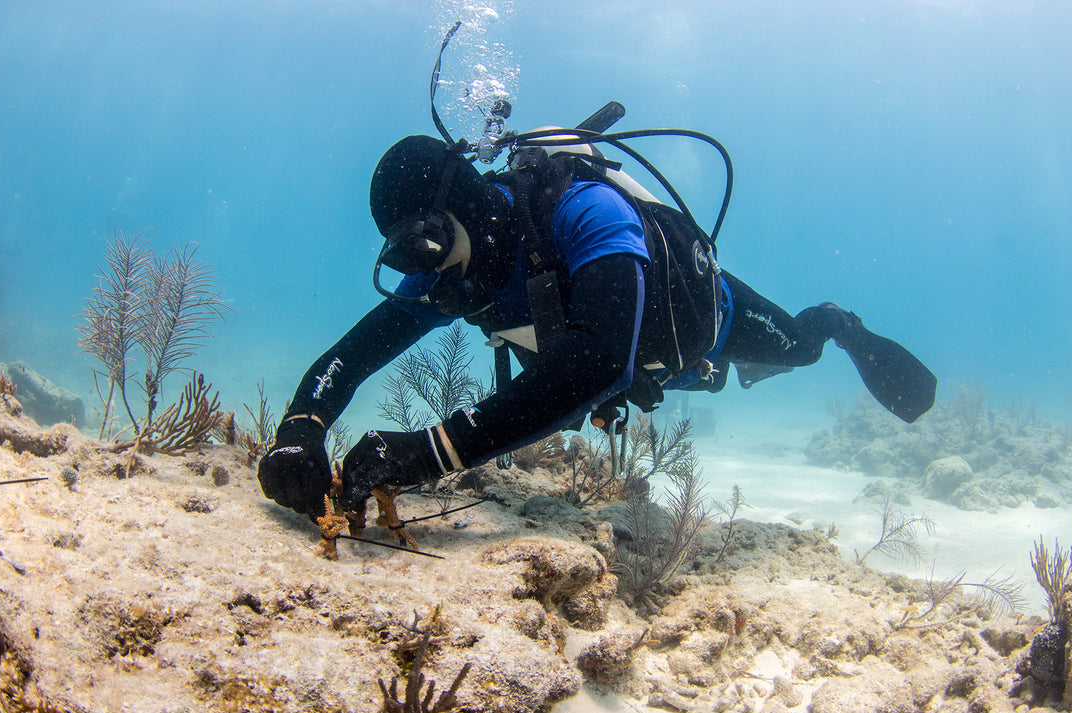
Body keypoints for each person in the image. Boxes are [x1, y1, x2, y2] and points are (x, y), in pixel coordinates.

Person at [257, 134, 936, 520]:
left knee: (798, 349)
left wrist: (431, 451)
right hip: (610, 363)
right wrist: (301, 428)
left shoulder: (585, 211)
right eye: (405, 253)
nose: (422, 269)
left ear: (460, 205)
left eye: (425, 245)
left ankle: (838, 324)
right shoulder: (450, 267)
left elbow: (600, 360)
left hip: (704, 327)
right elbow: (357, 349)